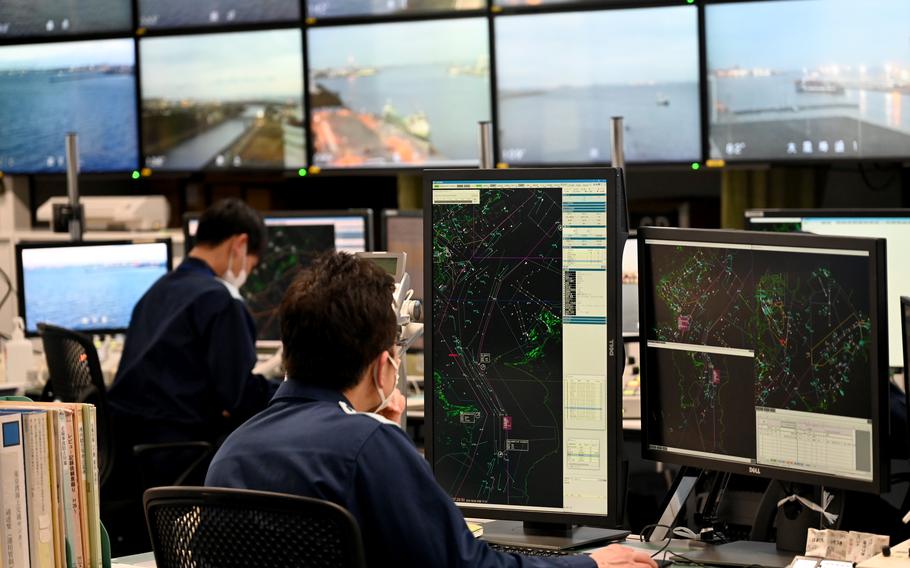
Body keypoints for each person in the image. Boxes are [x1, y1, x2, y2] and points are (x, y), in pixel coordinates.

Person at [206, 252, 657, 568]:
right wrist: (589, 565)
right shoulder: (368, 445)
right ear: (385, 368)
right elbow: (467, 565)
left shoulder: (233, 450)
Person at [109, 198, 279, 473]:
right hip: (179, 452)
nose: (248, 272)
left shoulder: (158, 290)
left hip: (128, 452)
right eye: (252, 263)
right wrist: (289, 390)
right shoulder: (221, 300)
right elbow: (239, 398)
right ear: (240, 244)